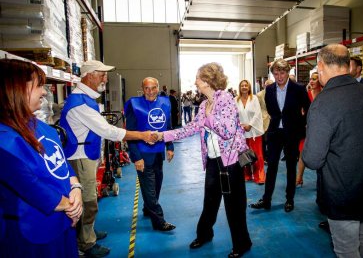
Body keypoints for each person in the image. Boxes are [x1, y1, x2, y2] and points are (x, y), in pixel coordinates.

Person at [302, 44, 363, 257]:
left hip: (344, 190)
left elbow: (313, 159)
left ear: (321, 66)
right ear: (348, 65)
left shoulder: (324, 103)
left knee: (346, 249)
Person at [60, 60, 156, 257]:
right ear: (89, 76)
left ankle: (88, 231)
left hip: (87, 154)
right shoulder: (80, 103)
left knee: (90, 196)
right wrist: (141, 135)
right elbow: (108, 130)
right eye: (101, 74)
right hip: (80, 157)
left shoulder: (87, 99)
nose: (105, 78)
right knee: (88, 200)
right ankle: (85, 242)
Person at [157, 62, 252, 257]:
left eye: (198, 79)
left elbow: (227, 131)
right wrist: (163, 136)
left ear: (208, 81)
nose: (196, 82)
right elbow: (191, 128)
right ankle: (204, 234)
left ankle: (242, 243)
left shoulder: (225, 99)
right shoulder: (203, 104)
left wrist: (209, 117)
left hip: (230, 163)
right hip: (212, 161)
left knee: (234, 206)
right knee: (210, 202)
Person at [0, 59, 83, 257]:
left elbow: (62, 166)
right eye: (38, 85)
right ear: (16, 88)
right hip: (31, 233)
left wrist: (76, 188)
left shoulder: (42, 127)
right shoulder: (5, 140)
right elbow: (31, 187)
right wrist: (71, 206)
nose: (44, 92)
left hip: (63, 225)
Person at [250, 58, 310, 213]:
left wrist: (299, 124)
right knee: (272, 167)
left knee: (291, 166)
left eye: (282, 73)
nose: (279, 77)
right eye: (276, 74)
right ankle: (266, 199)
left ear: (287, 72)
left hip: (292, 133)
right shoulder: (269, 90)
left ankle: (289, 199)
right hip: (275, 132)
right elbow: (271, 110)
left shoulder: (298, 89)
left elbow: (308, 109)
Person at [124, 77, 176, 232]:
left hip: (158, 152)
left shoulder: (165, 103)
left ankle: (148, 208)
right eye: (147, 88)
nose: (151, 91)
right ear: (142, 88)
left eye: (154, 87)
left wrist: (170, 146)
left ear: (158, 88)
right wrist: (136, 157)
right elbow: (129, 134)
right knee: (149, 187)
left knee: (157, 183)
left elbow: (168, 127)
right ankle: (159, 221)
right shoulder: (134, 105)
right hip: (142, 153)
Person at [235, 80, 265, 184]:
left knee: (257, 155)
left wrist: (250, 125)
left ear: (249, 87)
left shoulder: (254, 98)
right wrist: (241, 125)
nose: (244, 87)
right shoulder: (236, 100)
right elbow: (234, 115)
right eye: (242, 85)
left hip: (254, 132)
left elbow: (257, 114)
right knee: (243, 155)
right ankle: (246, 175)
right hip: (241, 132)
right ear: (239, 88)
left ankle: (259, 176)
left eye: (246, 85)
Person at [296, 67, 322, 186]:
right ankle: (299, 178)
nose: (311, 81)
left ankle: (321, 180)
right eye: (311, 79)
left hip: (321, 129)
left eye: (315, 79)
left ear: (320, 81)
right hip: (305, 129)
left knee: (321, 154)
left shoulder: (325, 95)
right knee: (303, 153)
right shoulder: (305, 95)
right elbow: (300, 112)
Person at [256, 79, 274, 162]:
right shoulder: (259, 95)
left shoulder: (276, 93)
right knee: (263, 140)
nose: (269, 86)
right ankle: (264, 157)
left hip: (274, 120)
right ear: (264, 85)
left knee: (272, 140)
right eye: (268, 85)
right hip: (263, 120)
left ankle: (271, 156)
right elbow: (257, 109)